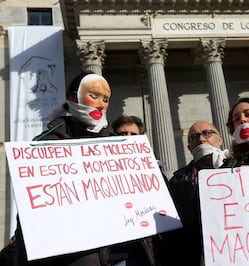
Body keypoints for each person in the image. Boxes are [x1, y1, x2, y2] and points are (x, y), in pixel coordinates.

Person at [14, 71, 113, 266]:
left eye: (106, 99)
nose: (101, 104)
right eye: (93, 96)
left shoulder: (116, 144)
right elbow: (29, 213)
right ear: (72, 97)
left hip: (109, 256)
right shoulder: (43, 145)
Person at [156, 120, 229, 266]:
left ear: (219, 139)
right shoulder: (177, 181)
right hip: (193, 255)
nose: (201, 139)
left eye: (207, 133)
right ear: (190, 148)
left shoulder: (238, 170)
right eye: (194, 137)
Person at [109, 114, 155, 266]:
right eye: (122, 134)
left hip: (145, 251)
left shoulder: (155, 173)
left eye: (133, 135)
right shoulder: (100, 173)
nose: (128, 138)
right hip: (115, 253)